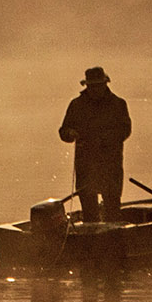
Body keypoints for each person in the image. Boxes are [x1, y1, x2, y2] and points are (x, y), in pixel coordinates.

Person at [59, 66, 132, 225]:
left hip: (110, 164)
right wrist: (70, 134)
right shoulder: (77, 105)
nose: (95, 89)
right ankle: (91, 242)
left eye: (98, 85)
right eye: (92, 86)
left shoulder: (118, 104)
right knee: (89, 209)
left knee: (112, 206)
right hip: (86, 165)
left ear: (105, 84)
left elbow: (125, 130)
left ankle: (113, 241)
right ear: (87, 86)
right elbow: (63, 131)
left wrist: (105, 140)